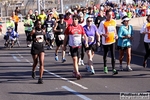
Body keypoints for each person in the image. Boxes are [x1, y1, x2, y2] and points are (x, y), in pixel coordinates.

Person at [63, 15, 88, 79]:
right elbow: (66, 37)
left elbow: (85, 36)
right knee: (74, 59)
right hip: (72, 46)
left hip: (79, 46)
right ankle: (77, 73)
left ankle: (74, 71)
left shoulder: (80, 27)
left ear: (78, 20)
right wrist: (64, 45)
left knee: (77, 60)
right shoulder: (69, 27)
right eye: (73, 19)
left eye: (76, 19)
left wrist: (86, 42)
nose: (74, 20)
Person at [98, 9, 118, 75]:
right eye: (109, 15)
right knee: (105, 54)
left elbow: (114, 30)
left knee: (113, 55)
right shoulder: (103, 23)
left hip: (112, 41)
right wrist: (103, 35)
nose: (110, 17)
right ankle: (105, 66)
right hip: (105, 41)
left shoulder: (114, 22)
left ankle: (113, 69)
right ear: (106, 15)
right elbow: (99, 31)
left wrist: (116, 35)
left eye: (111, 15)